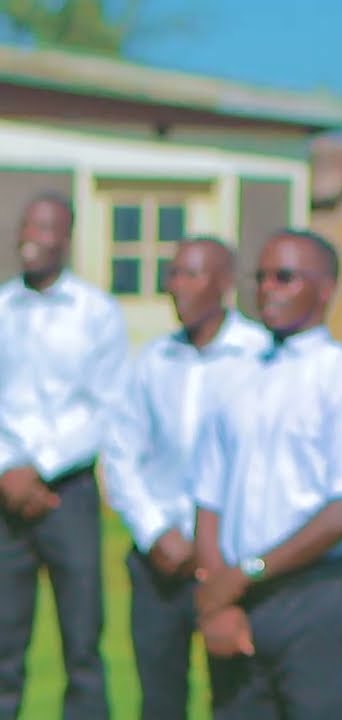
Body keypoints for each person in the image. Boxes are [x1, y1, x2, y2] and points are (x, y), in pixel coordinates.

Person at [190, 229, 342, 720]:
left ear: (325, 289)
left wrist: (248, 573)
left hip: (313, 598)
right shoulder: (235, 376)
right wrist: (219, 594)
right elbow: (209, 495)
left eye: (284, 277)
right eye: (260, 278)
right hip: (237, 595)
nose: (267, 290)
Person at [103, 237, 271, 719]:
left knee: (237, 698)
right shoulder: (153, 360)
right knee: (158, 699)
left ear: (223, 283)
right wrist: (155, 532)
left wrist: (219, 548)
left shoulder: (258, 355)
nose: (176, 286)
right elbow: (121, 452)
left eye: (190, 274)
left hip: (232, 562)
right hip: (161, 559)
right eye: (172, 274)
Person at [0, 192, 127, 720]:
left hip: (68, 491)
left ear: (68, 238)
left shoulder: (96, 313)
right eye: (27, 225)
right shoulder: (2, 306)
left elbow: (108, 405)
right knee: (3, 640)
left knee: (82, 639)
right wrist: (10, 470)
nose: (33, 237)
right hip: (5, 490)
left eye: (46, 227)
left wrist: (42, 466)